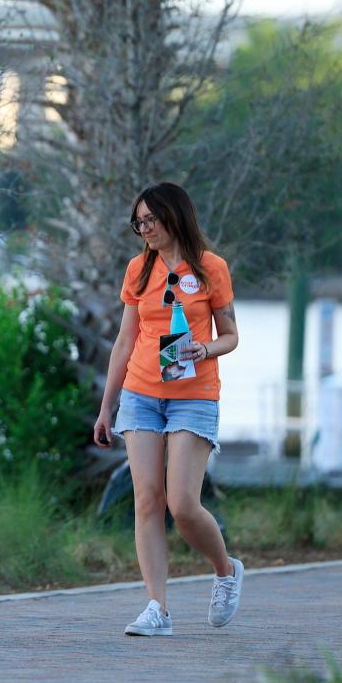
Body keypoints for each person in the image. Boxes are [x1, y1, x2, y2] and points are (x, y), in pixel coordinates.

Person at [92, 182, 243, 636]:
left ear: (173, 216)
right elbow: (124, 341)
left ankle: (225, 570)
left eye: (150, 220)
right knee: (147, 500)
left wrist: (205, 349)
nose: (144, 229)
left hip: (193, 396)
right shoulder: (138, 269)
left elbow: (231, 334)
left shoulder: (211, 267)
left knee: (182, 502)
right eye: (138, 222)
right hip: (141, 394)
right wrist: (107, 407)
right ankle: (157, 607)